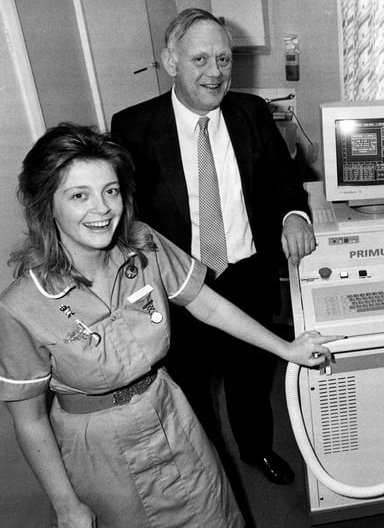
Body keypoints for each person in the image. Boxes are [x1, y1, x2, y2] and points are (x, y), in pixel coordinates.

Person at [0, 124, 338, 527]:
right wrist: (66, 504)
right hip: (98, 450)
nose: (103, 208)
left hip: (171, 415)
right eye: (79, 195)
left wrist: (286, 349)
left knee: (214, 516)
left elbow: (207, 305)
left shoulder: (144, 245)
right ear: (46, 205)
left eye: (111, 191)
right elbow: (30, 420)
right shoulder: (21, 306)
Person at [110, 8, 313, 492]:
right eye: (200, 58)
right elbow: (125, 213)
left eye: (223, 58)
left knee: (250, 378)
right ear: (170, 61)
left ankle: (256, 449)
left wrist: (293, 215)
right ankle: (203, 465)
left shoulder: (251, 112)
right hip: (179, 288)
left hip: (246, 273)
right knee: (190, 387)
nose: (216, 72)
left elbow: (285, 180)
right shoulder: (134, 127)